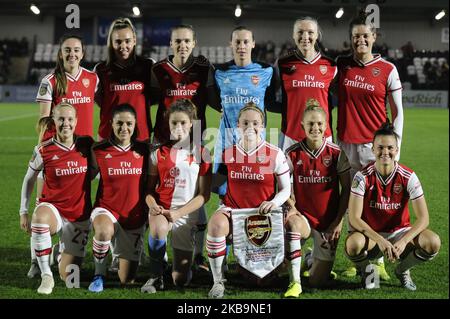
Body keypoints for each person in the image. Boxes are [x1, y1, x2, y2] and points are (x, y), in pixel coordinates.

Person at [206, 102, 309, 299]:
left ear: (262, 126)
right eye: (245, 123)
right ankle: (218, 282)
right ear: (238, 125)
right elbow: (215, 185)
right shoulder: (228, 154)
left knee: (262, 280)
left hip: (265, 216)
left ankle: (295, 281)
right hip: (236, 213)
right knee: (216, 224)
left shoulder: (275, 153)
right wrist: (205, 168)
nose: (250, 127)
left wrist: (275, 203)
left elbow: (286, 189)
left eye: (255, 123)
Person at [336, 12, 404, 279]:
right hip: (345, 144)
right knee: (352, 202)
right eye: (356, 36)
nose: (360, 40)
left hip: (372, 147)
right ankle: (357, 258)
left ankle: (380, 260)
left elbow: (397, 112)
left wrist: (394, 148)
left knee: (374, 203)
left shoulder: (387, 69)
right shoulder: (342, 65)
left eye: (365, 35)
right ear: (350, 39)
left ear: (374, 37)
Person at [29, 34, 98, 278]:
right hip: (56, 152)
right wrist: (44, 151)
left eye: (76, 50)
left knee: (78, 199)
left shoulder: (92, 78)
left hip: (82, 153)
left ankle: (64, 246)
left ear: (83, 53)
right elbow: (45, 120)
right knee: (43, 203)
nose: (72, 54)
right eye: (67, 50)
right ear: (60, 53)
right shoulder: (50, 80)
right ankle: (36, 260)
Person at [150, 24, 216, 272]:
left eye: (187, 41)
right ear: (170, 43)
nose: (182, 45)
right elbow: (152, 101)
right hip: (164, 140)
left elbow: (213, 101)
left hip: (196, 139)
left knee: (195, 196)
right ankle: (158, 248)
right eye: (177, 41)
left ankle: (197, 254)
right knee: (161, 191)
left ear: (194, 42)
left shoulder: (202, 68)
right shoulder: (159, 70)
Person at [345, 123, 440, 290]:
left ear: (396, 150)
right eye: (380, 147)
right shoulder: (362, 177)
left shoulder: (408, 176)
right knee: (352, 244)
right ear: (373, 149)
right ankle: (368, 271)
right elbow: (354, 217)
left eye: (390, 148)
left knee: (433, 242)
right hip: (372, 237)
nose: (385, 152)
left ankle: (403, 270)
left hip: (399, 233)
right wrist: (379, 240)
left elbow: (424, 218)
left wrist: (404, 241)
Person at [19, 103, 94, 294]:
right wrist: (24, 212)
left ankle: (54, 253)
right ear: (54, 121)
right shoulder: (44, 149)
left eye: (70, 119)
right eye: (61, 119)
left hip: (78, 216)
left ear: (76, 121)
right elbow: (29, 179)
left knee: (71, 279)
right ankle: (46, 275)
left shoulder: (87, 145)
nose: (65, 123)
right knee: (40, 219)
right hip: (53, 209)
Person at [141, 99, 212, 293]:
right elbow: (148, 190)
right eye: (174, 123)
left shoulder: (202, 153)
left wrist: (179, 213)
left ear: (192, 124)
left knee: (180, 280)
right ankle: (155, 276)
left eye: (183, 123)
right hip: (162, 210)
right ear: (168, 123)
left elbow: (204, 195)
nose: (178, 127)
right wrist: (152, 205)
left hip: (186, 215)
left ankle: (183, 269)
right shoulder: (158, 153)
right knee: (157, 229)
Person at [285, 99, 351, 288]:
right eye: (311, 124)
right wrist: (292, 208)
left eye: (320, 123)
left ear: (326, 125)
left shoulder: (337, 154)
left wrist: (338, 222)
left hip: (328, 224)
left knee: (316, 282)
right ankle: (295, 274)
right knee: (281, 267)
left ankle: (309, 258)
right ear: (302, 125)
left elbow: (346, 189)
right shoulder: (292, 153)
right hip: (303, 219)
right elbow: (281, 187)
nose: (315, 128)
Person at [88, 104, 149, 292]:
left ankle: (117, 254)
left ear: (135, 124)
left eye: (129, 123)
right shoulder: (98, 150)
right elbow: (84, 177)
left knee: (127, 279)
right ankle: (99, 275)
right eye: (119, 123)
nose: (124, 128)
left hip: (134, 216)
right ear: (111, 124)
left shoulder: (145, 150)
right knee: (104, 231)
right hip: (107, 208)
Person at [212, 26, 277, 197]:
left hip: (255, 140)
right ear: (231, 44)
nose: (242, 46)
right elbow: (213, 100)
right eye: (237, 42)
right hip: (226, 141)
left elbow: (270, 102)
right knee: (221, 189)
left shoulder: (266, 72)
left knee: (255, 187)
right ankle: (225, 218)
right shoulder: (219, 73)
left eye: (246, 42)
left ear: (253, 44)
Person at [275, 17, 337, 152]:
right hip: (291, 136)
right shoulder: (283, 64)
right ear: (293, 35)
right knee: (285, 174)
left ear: (317, 35)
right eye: (300, 32)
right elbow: (269, 96)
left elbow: (341, 99)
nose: (305, 36)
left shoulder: (330, 65)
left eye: (310, 32)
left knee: (324, 174)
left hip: (322, 136)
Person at [95, 18, 154, 142]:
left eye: (127, 41)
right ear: (111, 43)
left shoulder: (148, 66)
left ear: (134, 41)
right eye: (118, 42)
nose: (123, 46)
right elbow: (98, 99)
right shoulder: (101, 69)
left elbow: (156, 96)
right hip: (109, 136)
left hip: (140, 135)